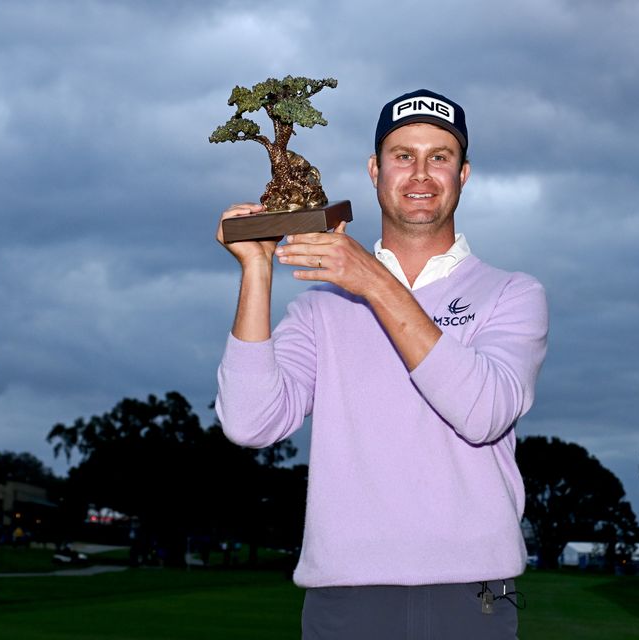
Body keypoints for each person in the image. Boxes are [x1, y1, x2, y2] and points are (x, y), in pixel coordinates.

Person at [215, 89, 548, 639]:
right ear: (374, 170)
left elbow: (484, 412)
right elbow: (251, 423)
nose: (420, 173)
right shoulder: (321, 306)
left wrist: (370, 279)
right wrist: (257, 269)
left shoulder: (512, 294)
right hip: (346, 600)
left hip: (472, 598)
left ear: (464, 175)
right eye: (402, 156)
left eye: (439, 156)